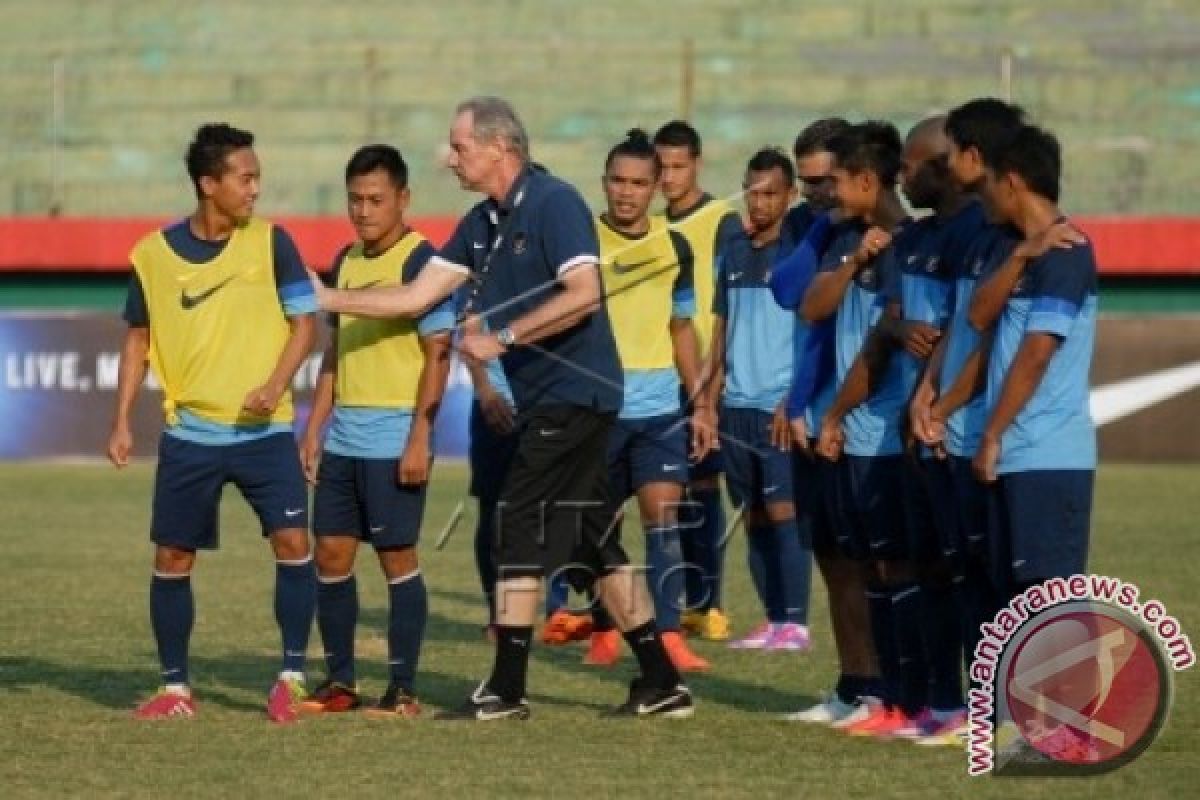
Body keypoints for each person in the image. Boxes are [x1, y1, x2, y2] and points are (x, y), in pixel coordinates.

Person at [310, 96, 693, 720]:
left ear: (498, 148)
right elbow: (415, 295)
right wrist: (327, 294)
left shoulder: (556, 202)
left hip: (579, 397)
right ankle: (661, 680)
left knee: (516, 520)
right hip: (556, 401)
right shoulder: (481, 222)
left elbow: (586, 294)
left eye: (458, 147)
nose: (449, 158)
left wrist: (505, 338)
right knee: (591, 542)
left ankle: (507, 690)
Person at [108, 123, 318, 724]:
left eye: (257, 177)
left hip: (265, 435)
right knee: (172, 558)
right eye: (244, 177)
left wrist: (275, 385)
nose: (256, 187)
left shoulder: (274, 242)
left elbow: (305, 325)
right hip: (190, 438)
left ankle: (291, 677)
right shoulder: (152, 256)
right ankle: (176, 690)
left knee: (293, 544)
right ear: (209, 184)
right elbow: (138, 340)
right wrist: (121, 419)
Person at [297, 145, 453, 717]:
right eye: (355, 199)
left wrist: (421, 436)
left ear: (404, 199)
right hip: (343, 440)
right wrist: (314, 426)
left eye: (375, 199)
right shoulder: (343, 263)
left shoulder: (422, 265)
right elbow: (335, 353)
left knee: (396, 558)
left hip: (394, 439)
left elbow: (439, 354)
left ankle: (403, 688)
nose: (363, 210)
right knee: (331, 555)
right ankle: (340, 682)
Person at [578, 129, 714, 671]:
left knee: (663, 516)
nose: (626, 192)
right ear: (604, 182)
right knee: (599, 528)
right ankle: (606, 628)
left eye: (639, 182)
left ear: (658, 187)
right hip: (597, 411)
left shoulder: (673, 246)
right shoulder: (582, 242)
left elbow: (681, 327)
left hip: (658, 409)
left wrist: (701, 402)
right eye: (617, 181)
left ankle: (669, 632)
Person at [805, 121, 920, 737]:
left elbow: (885, 347)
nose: (828, 193)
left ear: (868, 181)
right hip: (852, 432)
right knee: (866, 565)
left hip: (886, 434)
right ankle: (878, 695)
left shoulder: (909, 245)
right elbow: (812, 306)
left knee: (895, 570)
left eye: (839, 180)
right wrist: (853, 260)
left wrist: (835, 412)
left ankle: (908, 698)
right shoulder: (851, 239)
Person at [770, 118, 882, 725]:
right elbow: (789, 294)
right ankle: (854, 684)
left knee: (876, 563)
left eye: (823, 182)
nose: (815, 193)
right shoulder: (809, 226)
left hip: (862, 423)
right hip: (813, 415)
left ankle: (895, 688)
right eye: (807, 182)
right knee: (833, 559)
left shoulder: (885, 233)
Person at [967, 124, 1097, 597]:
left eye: (990, 183)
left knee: (1050, 609)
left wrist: (992, 433)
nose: (984, 197)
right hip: (1014, 455)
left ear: (1014, 181)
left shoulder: (1068, 252)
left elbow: (1037, 352)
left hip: (1048, 454)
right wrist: (1021, 254)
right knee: (1013, 605)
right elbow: (978, 317)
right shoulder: (1015, 248)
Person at [705, 147, 812, 652]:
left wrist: (794, 400)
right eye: (753, 192)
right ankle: (772, 621)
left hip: (777, 408)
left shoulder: (799, 253)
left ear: (790, 196)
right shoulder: (733, 251)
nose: (760, 203)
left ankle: (796, 621)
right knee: (751, 517)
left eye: (771, 193)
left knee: (784, 512)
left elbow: (813, 333)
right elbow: (721, 330)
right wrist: (707, 401)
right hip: (735, 407)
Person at [654, 120, 744, 641]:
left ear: (697, 164)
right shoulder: (655, 228)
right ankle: (685, 600)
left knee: (703, 486)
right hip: (660, 377)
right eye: (660, 166)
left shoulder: (721, 223)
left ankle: (707, 602)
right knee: (670, 492)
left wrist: (711, 382)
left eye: (677, 166)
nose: (668, 176)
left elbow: (725, 307)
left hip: (705, 376)